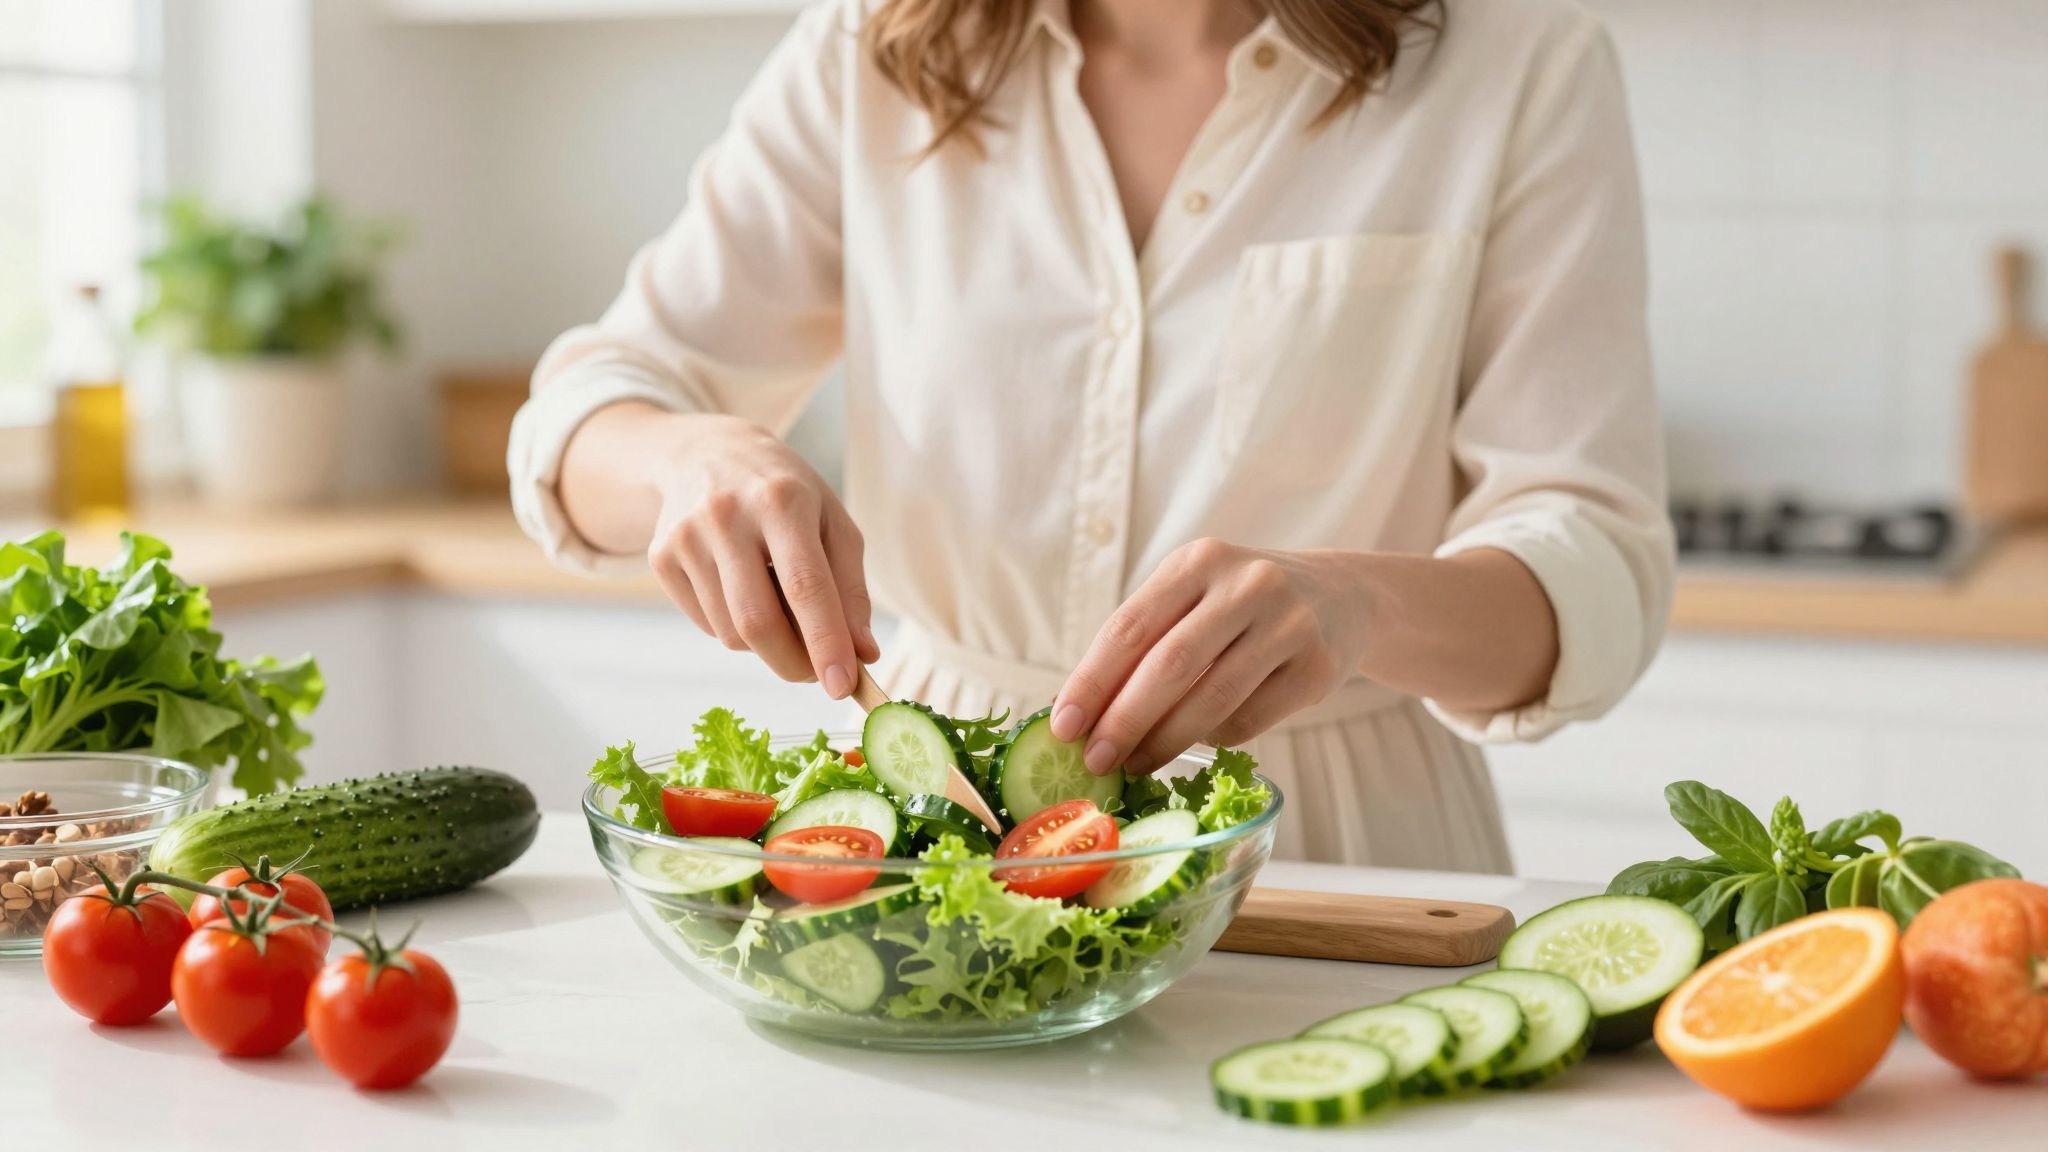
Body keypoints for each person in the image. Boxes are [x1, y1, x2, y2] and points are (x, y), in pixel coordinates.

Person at [509, 0, 1672, 872]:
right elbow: (589, 415)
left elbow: (1594, 558)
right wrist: (687, 460)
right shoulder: (875, 47)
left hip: (1342, 846)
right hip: (938, 832)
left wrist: (1356, 601)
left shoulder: (1517, 61)